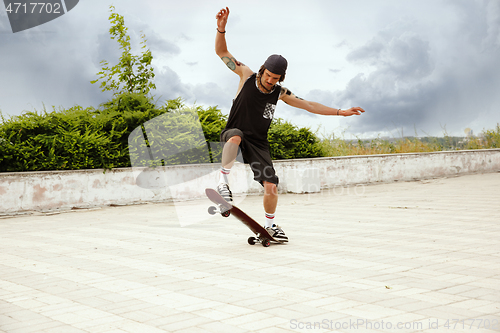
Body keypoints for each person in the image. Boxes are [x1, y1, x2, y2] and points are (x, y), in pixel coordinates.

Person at [215, 7, 365, 242]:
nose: (270, 81)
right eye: (268, 76)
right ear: (262, 70)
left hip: (258, 143)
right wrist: (221, 27)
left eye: (275, 79)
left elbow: (310, 106)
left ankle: (271, 226)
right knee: (235, 136)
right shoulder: (245, 74)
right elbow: (221, 51)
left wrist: (340, 112)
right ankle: (222, 183)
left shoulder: (280, 92)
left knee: (271, 185)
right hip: (234, 133)